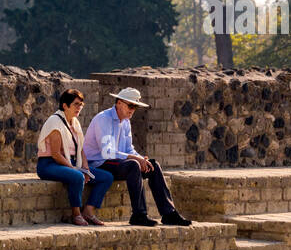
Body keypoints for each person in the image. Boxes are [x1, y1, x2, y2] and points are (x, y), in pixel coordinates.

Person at [81, 86, 193, 228]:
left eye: (135, 107)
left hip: (117, 163)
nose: (132, 110)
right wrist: (136, 160)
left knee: (153, 165)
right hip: (97, 163)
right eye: (131, 105)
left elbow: (128, 149)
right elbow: (107, 152)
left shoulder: (126, 122)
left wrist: (142, 159)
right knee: (134, 165)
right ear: (119, 103)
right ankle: (139, 215)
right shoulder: (104, 119)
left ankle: (169, 213)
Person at [36, 88, 113, 226]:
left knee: (106, 177)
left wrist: (85, 167)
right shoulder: (55, 122)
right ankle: (76, 214)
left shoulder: (74, 122)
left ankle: (88, 211)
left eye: (81, 105)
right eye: (76, 104)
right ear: (65, 105)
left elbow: (80, 147)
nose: (79, 108)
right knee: (77, 177)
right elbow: (55, 154)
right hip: (49, 164)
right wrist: (75, 169)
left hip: (70, 162)